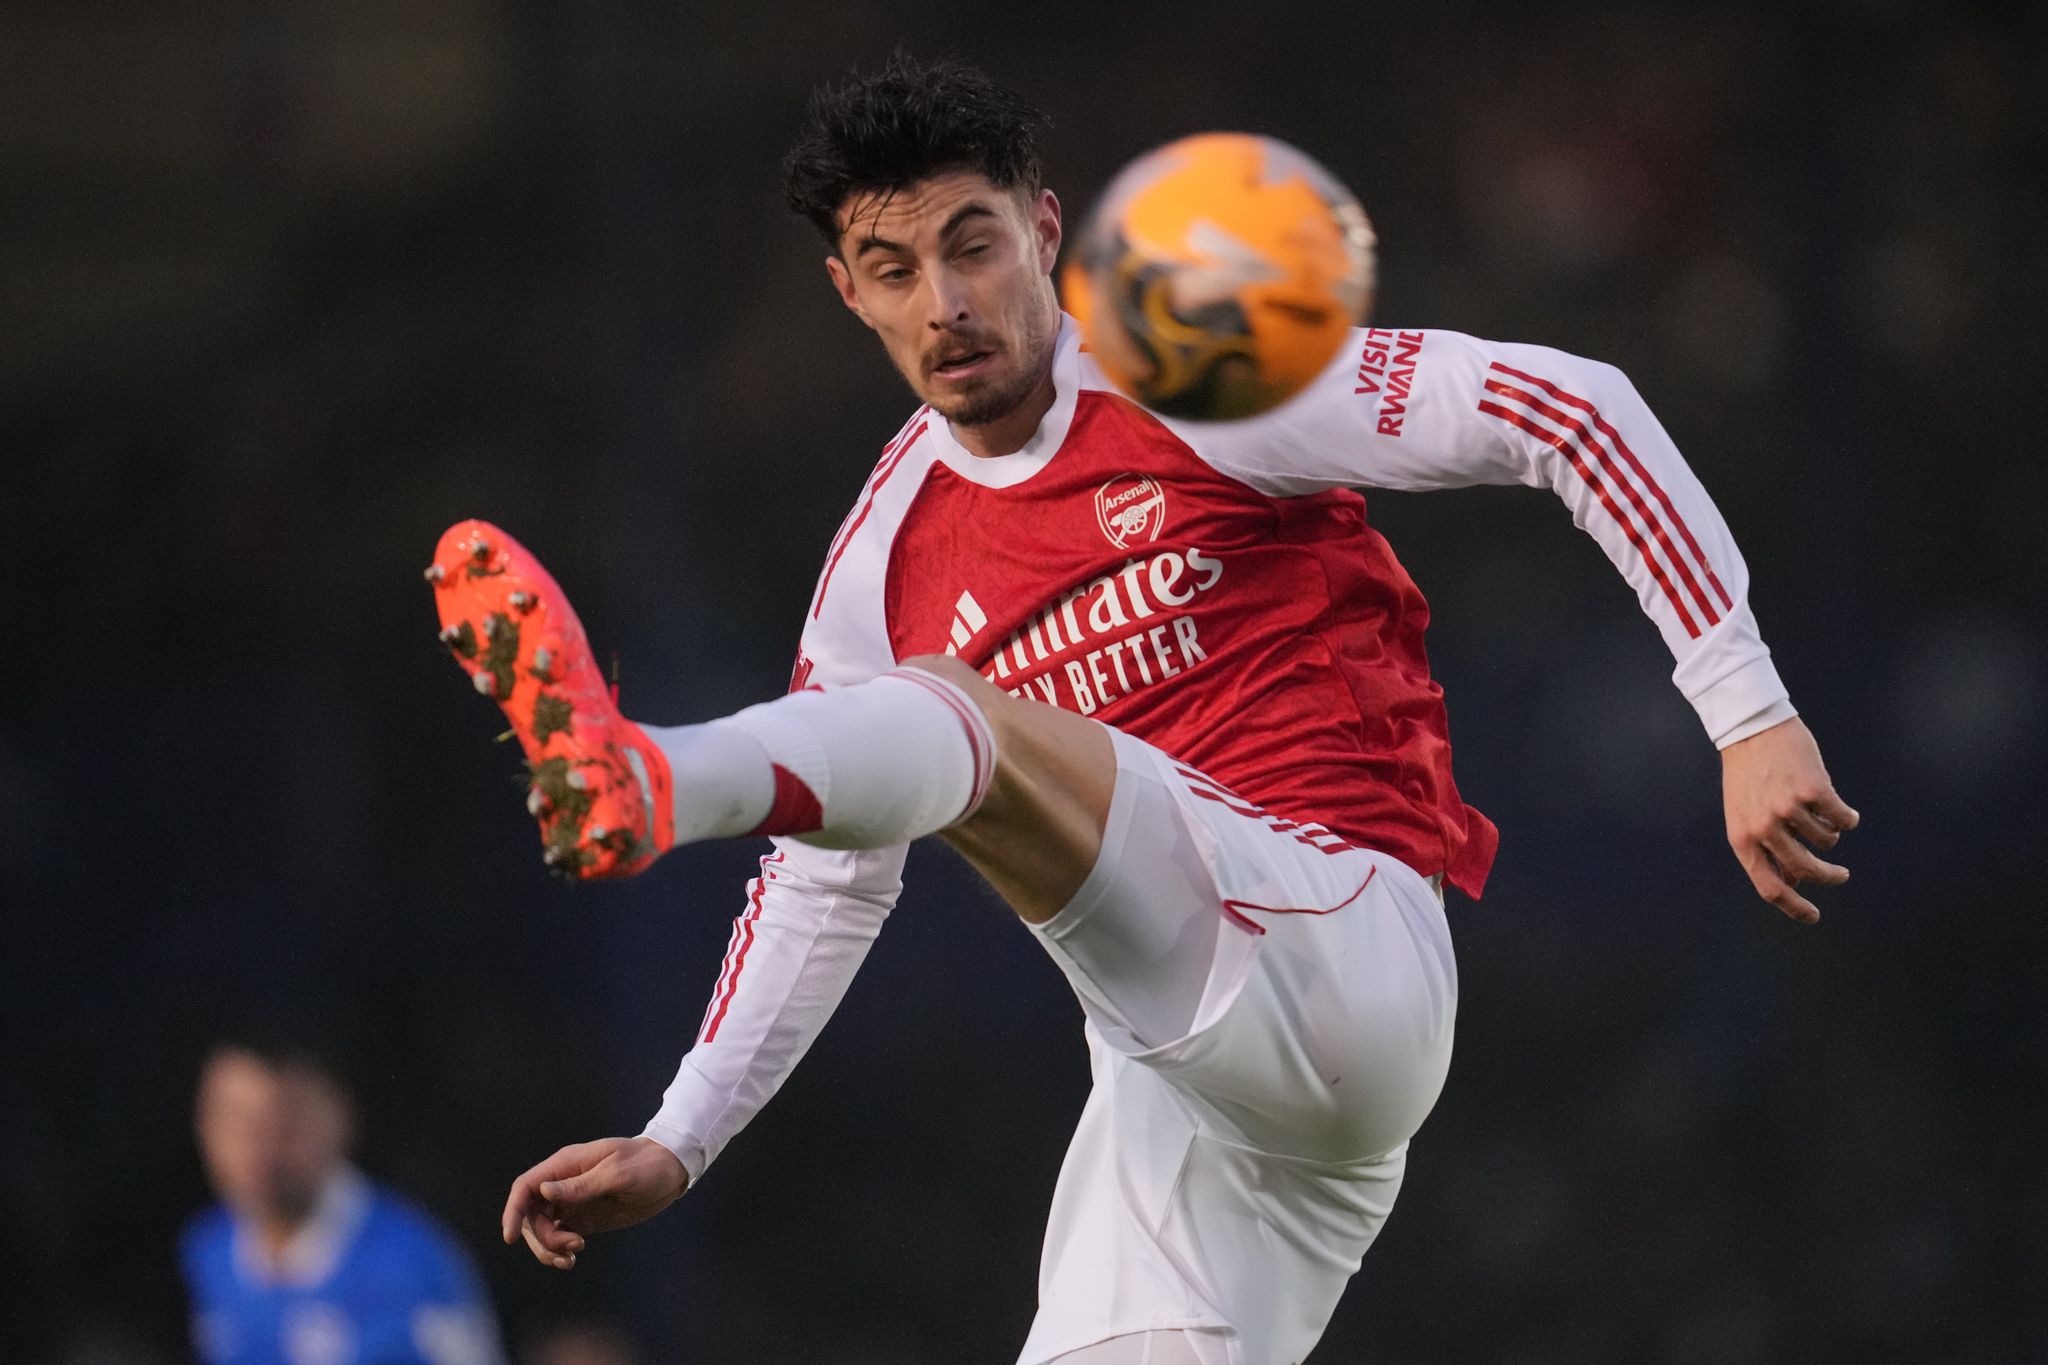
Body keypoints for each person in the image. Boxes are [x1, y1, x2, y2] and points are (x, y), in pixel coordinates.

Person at [429, 54, 1859, 1365]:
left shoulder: (1200, 375)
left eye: (973, 245)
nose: (944, 302)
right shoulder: (880, 561)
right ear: (847, 294)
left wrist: (1746, 711)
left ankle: (649, 775)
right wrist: (681, 1136)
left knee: (959, 721)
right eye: (894, 269)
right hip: (1184, 1100)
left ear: (1044, 230)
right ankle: (647, 776)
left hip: (1343, 945)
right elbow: (822, 881)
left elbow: (1570, 408)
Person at [181, 1040, 506, 1365]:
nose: (259, 1147)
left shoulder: (414, 1264)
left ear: (339, 1117)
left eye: (285, 1123)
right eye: (236, 1120)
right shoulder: (207, 1248)